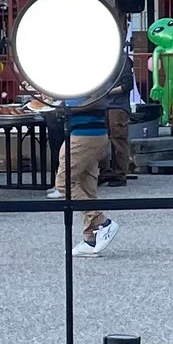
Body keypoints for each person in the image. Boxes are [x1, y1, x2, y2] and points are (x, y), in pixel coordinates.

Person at [60, 76, 120, 255]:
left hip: (84, 134)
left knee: (64, 183)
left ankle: (103, 222)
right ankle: (90, 238)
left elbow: (98, 99)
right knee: (86, 184)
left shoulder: (94, 75)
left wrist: (64, 106)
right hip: (91, 132)